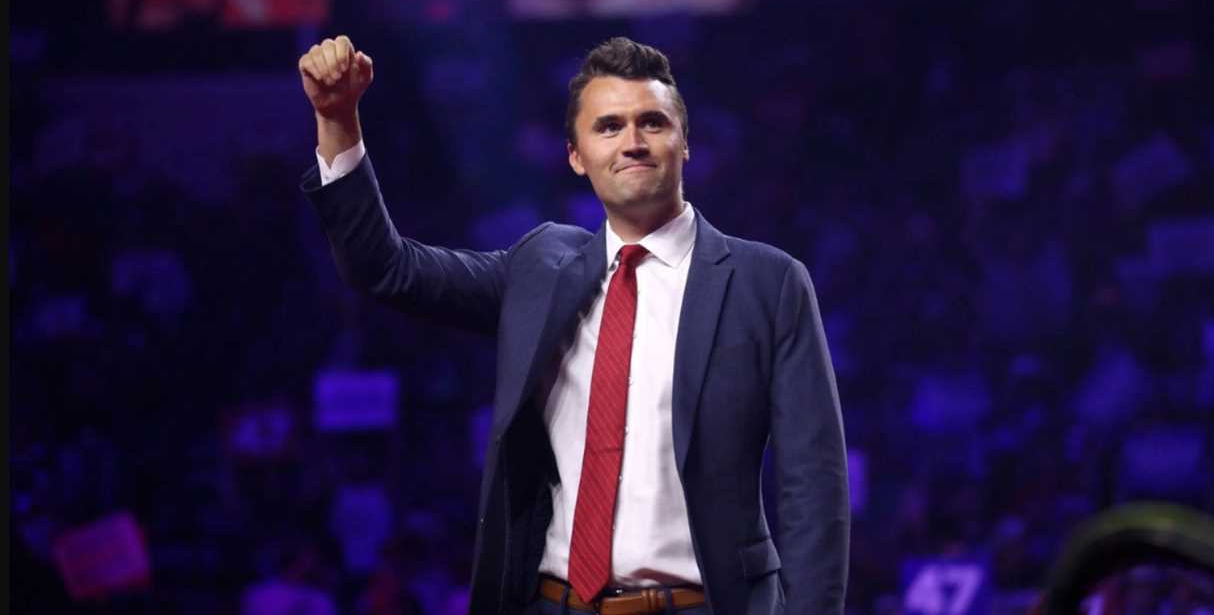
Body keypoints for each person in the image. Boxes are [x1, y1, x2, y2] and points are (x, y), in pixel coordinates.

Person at [296, 35, 849, 615]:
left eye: (652, 123)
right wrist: (338, 121)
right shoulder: (539, 269)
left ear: (685, 142)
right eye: (608, 126)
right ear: (576, 155)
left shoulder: (768, 282)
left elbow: (813, 487)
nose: (632, 142)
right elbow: (385, 268)